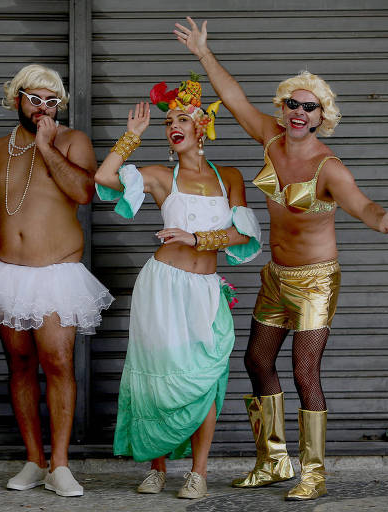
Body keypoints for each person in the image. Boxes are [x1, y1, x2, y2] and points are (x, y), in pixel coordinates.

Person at [175, 17, 388, 501]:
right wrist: (202, 54)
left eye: (310, 107)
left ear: (323, 116)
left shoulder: (329, 166)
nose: (299, 112)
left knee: (305, 372)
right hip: (276, 276)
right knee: (256, 359)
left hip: (316, 281)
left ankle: (314, 472)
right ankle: (273, 460)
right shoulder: (270, 138)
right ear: (283, 108)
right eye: (293, 104)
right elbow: (234, 97)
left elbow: (361, 204)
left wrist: (380, 218)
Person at [94, 74, 262, 499]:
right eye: (170, 118)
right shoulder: (159, 176)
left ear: (202, 125)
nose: (174, 123)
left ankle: (198, 472)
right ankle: (157, 468)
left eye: (183, 117)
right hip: (162, 288)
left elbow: (245, 236)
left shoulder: (230, 177)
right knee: (159, 377)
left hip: (205, 289)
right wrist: (130, 137)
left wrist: (197, 239)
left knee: (205, 378)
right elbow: (106, 177)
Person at [0, 64, 113, 498]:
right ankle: (33, 459)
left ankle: (59, 465)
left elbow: (84, 193)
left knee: (57, 362)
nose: (43, 108)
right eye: (35, 99)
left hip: (55, 273)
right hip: (1, 272)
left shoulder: (72, 141)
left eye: (51, 101)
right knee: (19, 364)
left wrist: (47, 145)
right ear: (16, 98)